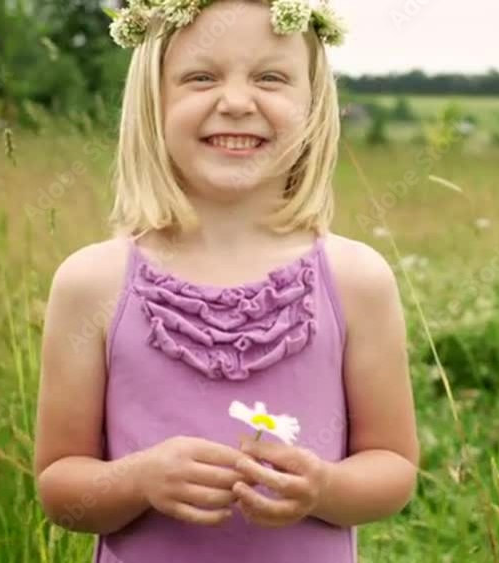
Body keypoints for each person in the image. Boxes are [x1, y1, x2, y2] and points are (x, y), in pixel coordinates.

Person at [31, 1, 419, 562]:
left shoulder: (357, 281)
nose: (236, 102)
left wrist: (324, 489)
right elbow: (60, 485)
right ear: (153, 100)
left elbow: (393, 466)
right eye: (200, 77)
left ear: (313, 103)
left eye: (270, 77)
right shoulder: (92, 283)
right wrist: (139, 480)